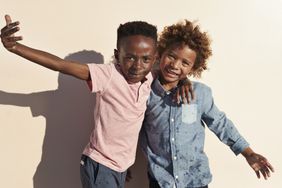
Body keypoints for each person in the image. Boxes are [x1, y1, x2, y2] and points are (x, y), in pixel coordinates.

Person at [0, 15, 191, 188]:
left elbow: (172, 71)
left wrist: (184, 80)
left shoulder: (150, 77)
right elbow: (60, 64)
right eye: (130, 57)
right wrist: (15, 47)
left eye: (145, 59)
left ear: (154, 58)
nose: (137, 66)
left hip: (119, 167)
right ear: (117, 56)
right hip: (100, 164)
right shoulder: (107, 75)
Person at [140, 20, 274, 188]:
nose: (175, 65)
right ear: (161, 52)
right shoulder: (144, 92)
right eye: (171, 56)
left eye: (185, 63)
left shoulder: (200, 94)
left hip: (196, 180)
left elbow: (220, 124)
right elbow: (130, 127)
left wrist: (248, 153)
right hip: (161, 181)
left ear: (194, 67)